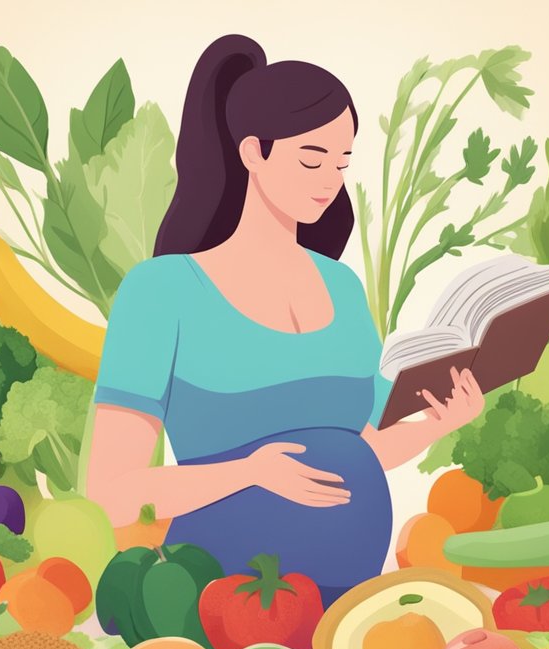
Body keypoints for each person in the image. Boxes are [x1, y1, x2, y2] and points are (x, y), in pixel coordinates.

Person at [85, 33, 483, 608]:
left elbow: (364, 448)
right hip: (223, 601)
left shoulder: (343, 289)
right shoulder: (163, 291)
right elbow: (113, 495)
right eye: (311, 158)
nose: (330, 180)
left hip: (351, 598)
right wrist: (246, 472)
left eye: (342, 162)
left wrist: (438, 425)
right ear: (253, 153)